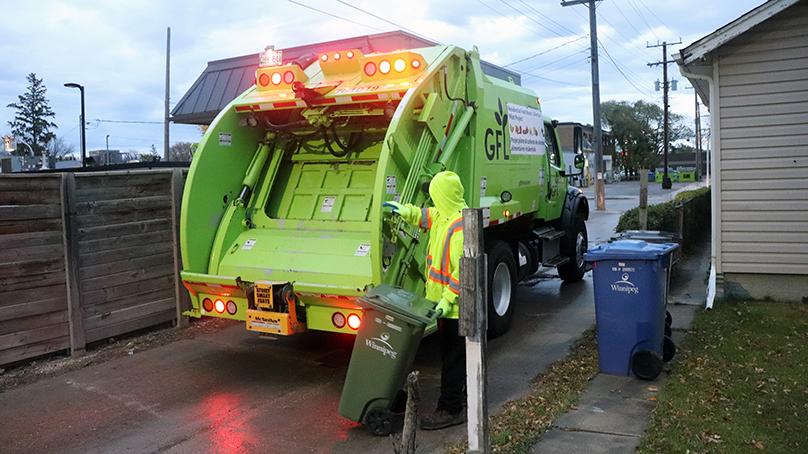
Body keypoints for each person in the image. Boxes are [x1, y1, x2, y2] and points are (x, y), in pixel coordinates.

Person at [384, 170, 467, 430]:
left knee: (453, 358)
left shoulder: (460, 228)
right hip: (441, 305)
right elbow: (425, 216)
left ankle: (451, 409)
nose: (432, 201)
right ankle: (457, 400)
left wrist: (447, 300)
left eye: (434, 195)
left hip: (454, 309)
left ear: (443, 196)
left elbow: (461, 272)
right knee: (450, 355)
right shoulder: (444, 214)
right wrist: (404, 211)